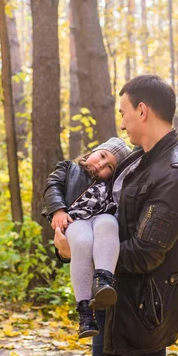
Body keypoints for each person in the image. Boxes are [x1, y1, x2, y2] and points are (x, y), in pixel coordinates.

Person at [54, 75, 178, 356]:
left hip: (141, 313)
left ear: (143, 111)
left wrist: (86, 254)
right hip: (113, 304)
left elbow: (144, 254)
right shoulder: (138, 160)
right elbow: (93, 208)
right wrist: (70, 238)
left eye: (124, 112)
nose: (122, 124)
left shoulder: (174, 173)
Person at [42, 137, 132, 339]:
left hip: (102, 218)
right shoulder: (69, 168)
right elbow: (52, 186)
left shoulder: (114, 186)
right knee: (82, 243)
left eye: (109, 166)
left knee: (109, 224)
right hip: (75, 219)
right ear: (95, 150)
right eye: (101, 156)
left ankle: (103, 281)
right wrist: (58, 210)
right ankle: (84, 313)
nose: (100, 165)